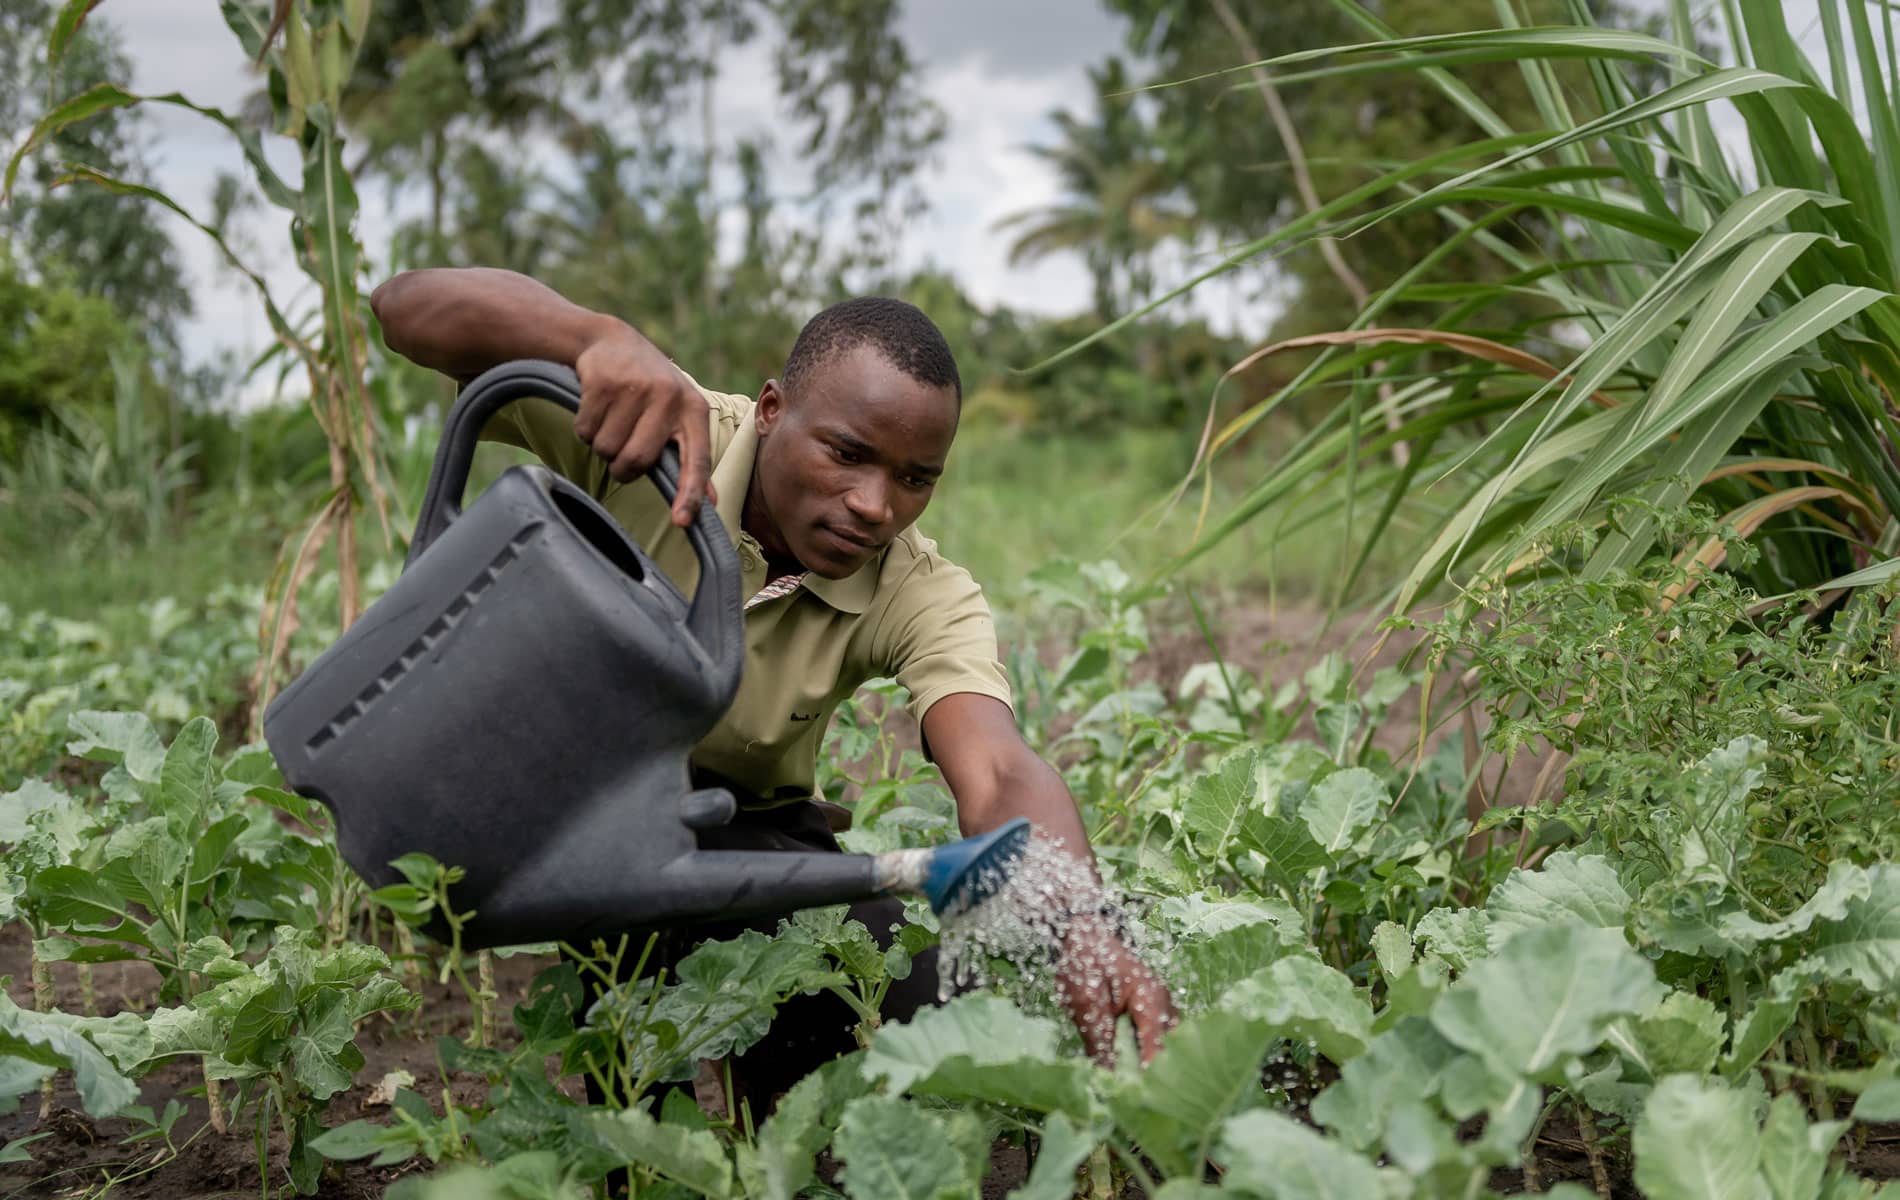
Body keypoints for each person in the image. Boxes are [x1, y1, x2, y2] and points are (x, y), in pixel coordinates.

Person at [370, 267, 1177, 1110]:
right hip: (573, 808)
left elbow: (1000, 769)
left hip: (744, 835)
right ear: (770, 410)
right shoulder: (659, 432)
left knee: (896, 1023)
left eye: (915, 478)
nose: (874, 505)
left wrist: (1085, 924)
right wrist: (591, 336)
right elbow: (404, 311)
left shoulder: (917, 587)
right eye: (847, 454)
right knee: (640, 1096)